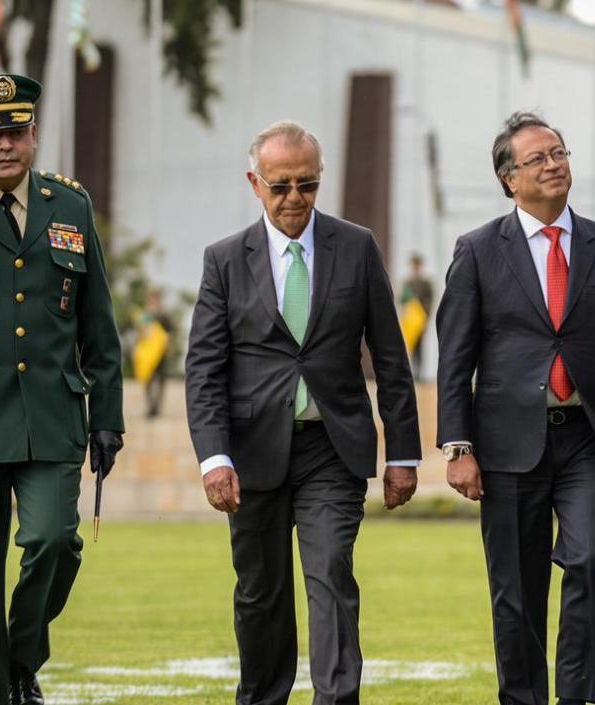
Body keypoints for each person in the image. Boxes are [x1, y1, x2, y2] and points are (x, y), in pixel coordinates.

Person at [184, 120, 421, 705]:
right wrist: (214, 458)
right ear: (254, 183)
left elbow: (390, 356)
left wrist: (404, 455)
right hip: (252, 452)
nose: (295, 199)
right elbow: (204, 369)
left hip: (331, 449)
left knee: (331, 575)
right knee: (260, 593)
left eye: (308, 185)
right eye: (281, 186)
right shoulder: (223, 261)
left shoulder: (357, 246)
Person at [436, 111, 595, 705]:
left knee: (588, 562)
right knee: (516, 590)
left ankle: (581, 695)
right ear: (509, 179)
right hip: (506, 444)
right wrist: (457, 446)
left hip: (588, 437)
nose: (554, 164)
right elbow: (455, 357)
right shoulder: (478, 251)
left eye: (559, 153)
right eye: (537, 158)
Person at [0, 74, 124, 705]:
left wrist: (109, 417)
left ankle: (22, 658)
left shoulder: (68, 205)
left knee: (53, 540)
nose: (6, 148)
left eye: (16, 133)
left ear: (34, 135)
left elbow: (98, 321)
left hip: (51, 414)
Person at [132, 288, 173, 418]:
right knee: (148, 379)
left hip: (161, 352)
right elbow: (140, 332)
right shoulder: (145, 314)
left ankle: (156, 407)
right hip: (147, 353)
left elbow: (170, 331)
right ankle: (151, 407)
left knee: (161, 380)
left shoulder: (164, 314)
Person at [399, 253, 434, 380]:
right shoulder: (407, 282)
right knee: (410, 346)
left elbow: (430, 300)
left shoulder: (426, 283)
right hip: (409, 320)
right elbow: (402, 300)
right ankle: (412, 372)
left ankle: (419, 372)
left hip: (420, 319)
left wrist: (424, 315)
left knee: (420, 346)